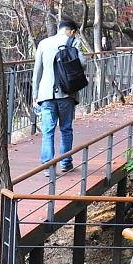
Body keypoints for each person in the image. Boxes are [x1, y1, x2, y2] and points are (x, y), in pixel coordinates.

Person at [32, 18, 87, 176]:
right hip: (66, 93)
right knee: (66, 129)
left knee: (48, 131)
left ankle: (48, 167)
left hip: (46, 94)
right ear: (71, 31)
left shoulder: (43, 43)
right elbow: (83, 64)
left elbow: (37, 73)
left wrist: (35, 95)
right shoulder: (73, 43)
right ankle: (65, 162)